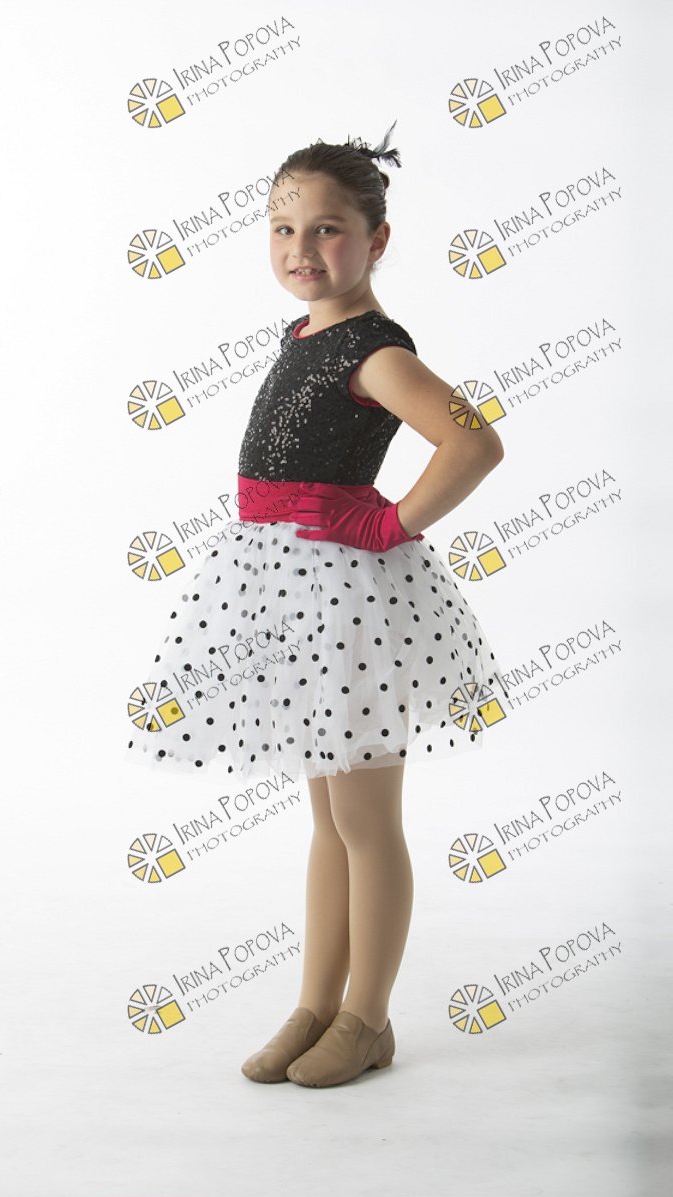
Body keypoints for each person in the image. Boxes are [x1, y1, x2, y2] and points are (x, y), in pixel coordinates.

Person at [125, 119, 508, 1087]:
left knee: (366, 821)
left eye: (327, 229)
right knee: (328, 821)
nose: (301, 249)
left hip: (347, 601)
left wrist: (389, 523)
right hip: (290, 590)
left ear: (377, 240)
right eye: (282, 228)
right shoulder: (303, 333)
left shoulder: (374, 350)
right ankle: (313, 1003)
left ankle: (366, 1017)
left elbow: (472, 442)